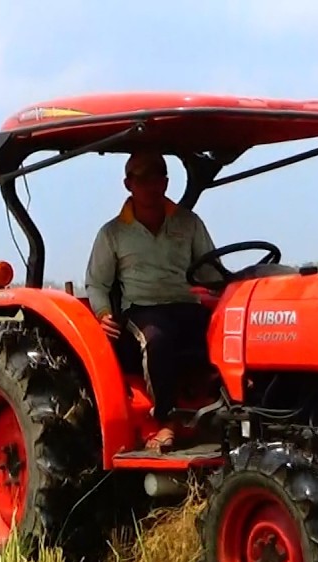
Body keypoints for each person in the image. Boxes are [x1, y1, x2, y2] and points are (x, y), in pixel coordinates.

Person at [84, 151, 225, 452]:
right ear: (128, 183)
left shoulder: (188, 223)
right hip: (141, 308)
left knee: (230, 329)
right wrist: (103, 312)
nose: (151, 184)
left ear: (166, 181)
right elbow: (97, 283)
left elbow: (211, 270)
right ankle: (164, 420)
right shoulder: (113, 233)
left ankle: (234, 408)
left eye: (157, 175)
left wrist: (229, 289)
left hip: (184, 304)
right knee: (156, 339)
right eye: (142, 177)